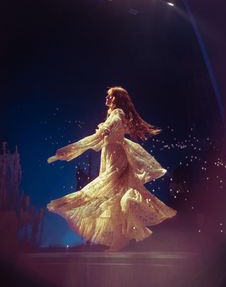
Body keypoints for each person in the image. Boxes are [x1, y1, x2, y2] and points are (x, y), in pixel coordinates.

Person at [47, 87, 177, 251]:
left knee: (104, 192)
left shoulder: (117, 114)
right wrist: (70, 151)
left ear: (116, 99)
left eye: (109, 96)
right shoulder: (114, 115)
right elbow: (99, 140)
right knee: (113, 199)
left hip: (116, 160)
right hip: (110, 157)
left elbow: (97, 138)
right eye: (107, 96)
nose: (106, 98)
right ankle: (119, 240)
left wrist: (69, 150)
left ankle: (119, 238)